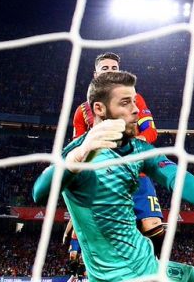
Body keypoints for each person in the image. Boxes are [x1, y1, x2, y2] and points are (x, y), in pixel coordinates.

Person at [34, 71, 194, 282]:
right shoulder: (77, 154)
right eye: (125, 103)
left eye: (134, 101)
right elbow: (39, 193)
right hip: (118, 277)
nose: (136, 109)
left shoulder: (139, 150)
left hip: (150, 266)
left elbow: (175, 176)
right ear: (99, 109)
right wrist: (77, 157)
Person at [72, 52, 166, 255]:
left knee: (153, 225)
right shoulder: (82, 111)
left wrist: (134, 145)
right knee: (105, 233)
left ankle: (156, 267)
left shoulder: (135, 99)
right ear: (96, 74)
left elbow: (151, 131)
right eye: (105, 68)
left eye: (114, 68)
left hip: (136, 172)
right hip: (104, 177)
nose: (110, 72)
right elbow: (77, 149)